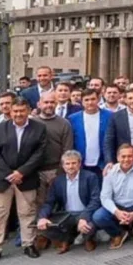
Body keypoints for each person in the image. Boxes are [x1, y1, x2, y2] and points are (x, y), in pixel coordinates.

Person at [0, 98, 48, 265]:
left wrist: (21, 172)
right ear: (10, 112)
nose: (18, 114)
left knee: (27, 212)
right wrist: (8, 173)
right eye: (15, 111)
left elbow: (39, 153)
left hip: (26, 177)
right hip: (1, 178)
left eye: (22, 111)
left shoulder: (39, 128)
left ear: (28, 110)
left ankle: (28, 244)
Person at [36, 151, 108, 254]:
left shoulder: (90, 177)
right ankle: (66, 240)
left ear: (79, 164)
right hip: (67, 215)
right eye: (67, 163)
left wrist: (84, 217)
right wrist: (42, 217)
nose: (71, 166)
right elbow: (49, 202)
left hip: (85, 212)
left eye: (74, 163)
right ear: (63, 165)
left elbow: (95, 200)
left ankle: (88, 239)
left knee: (89, 225)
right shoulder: (58, 181)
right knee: (45, 225)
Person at [33, 92, 75, 228]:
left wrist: (58, 173)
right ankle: (41, 234)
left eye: (52, 102)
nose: (49, 105)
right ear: (39, 104)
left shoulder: (64, 124)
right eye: (46, 102)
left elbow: (67, 150)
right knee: (38, 203)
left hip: (56, 169)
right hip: (36, 171)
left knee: (58, 203)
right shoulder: (32, 123)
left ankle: (58, 235)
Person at [68, 88, 111, 179]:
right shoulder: (73, 118)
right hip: (81, 164)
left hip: (102, 164)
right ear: (82, 101)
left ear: (98, 99)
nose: (90, 102)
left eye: (93, 99)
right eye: (86, 100)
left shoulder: (110, 116)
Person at [104, 88, 133, 169]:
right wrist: (109, 160)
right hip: (125, 157)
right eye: (130, 98)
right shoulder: (116, 116)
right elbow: (109, 140)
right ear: (125, 100)